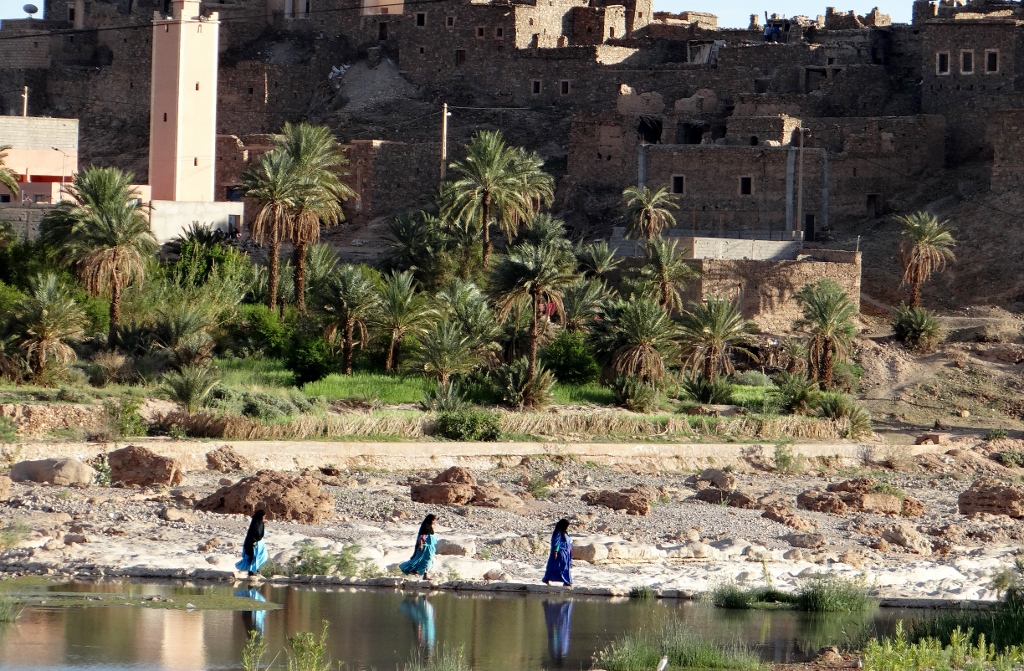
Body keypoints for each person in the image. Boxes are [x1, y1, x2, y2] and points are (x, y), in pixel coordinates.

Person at [400, 514, 437, 580]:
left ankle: (425, 575)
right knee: (420, 560)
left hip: (430, 548)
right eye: (433, 520)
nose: (434, 522)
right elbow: (421, 538)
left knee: (428, 561)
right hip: (425, 548)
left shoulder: (429, 527)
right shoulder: (425, 527)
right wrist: (421, 545)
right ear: (430, 520)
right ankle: (413, 570)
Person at [236, 509, 268, 577]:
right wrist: (253, 541)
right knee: (253, 556)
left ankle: (255, 568)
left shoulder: (260, 523)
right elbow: (253, 533)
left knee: (262, 555)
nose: (264, 517)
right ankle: (251, 571)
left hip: (259, 542)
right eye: (264, 516)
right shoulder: (255, 523)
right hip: (252, 542)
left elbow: (260, 533)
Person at [542, 519, 573, 586]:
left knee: (565, 566)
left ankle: (566, 581)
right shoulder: (558, 532)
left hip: (566, 553)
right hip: (560, 553)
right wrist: (556, 551)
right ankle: (566, 581)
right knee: (561, 566)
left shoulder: (565, 533)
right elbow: (556, 542)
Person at [543, 600, 573, 666]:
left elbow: (553, 639)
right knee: (562, 619)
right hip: (560, 629)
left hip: (559, 629)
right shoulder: (562, 651)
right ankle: (565, 604)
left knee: (559, 619)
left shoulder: (559, 652)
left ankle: (565, 604)